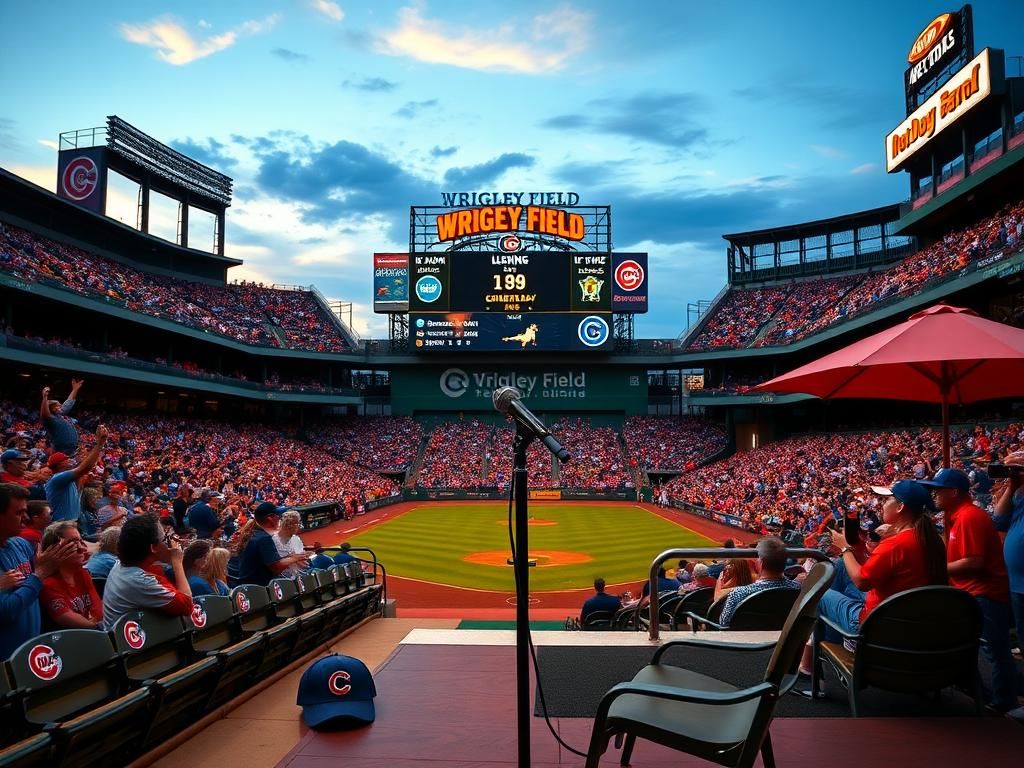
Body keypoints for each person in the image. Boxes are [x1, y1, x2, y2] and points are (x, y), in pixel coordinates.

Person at [922, 468, 1020, 712]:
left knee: (994, 649)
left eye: (939, 490)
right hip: (970, 593)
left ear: (954, 492)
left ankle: (1004, 702)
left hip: (985, 593)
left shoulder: (969, 517)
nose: (934, 495)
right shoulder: (958, 515)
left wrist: (937, 570)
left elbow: (974, 562)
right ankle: (982, 692)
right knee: (976, 646)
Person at [816, 480, 947, 638]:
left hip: (877, 626)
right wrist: (858, 549)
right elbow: (882, 572)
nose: (882, 505)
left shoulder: (895, 544)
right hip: (909, 618)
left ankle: (836, 645)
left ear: (900, 507)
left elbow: (862, 582)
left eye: (887, 500)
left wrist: (844, 548)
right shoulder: (931, 539)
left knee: (819, 593)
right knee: (842, 567)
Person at [0, 483, 79, 658]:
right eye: (19, 513)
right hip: (7, 660)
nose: (26, 518)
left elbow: (38, 584)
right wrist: (39, 574)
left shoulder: (20, 544)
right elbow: (7, 611)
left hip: (33, 649)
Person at [101, 514, 193, 630]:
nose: (169, 543)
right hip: (125, 638)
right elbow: (187, 606)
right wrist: (177, 562)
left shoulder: (122, 565)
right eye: (165, 539)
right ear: (153, 548)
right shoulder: (139, 581)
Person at [718, 537, 799, 627]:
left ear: (761, 563)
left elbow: (723, 623)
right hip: (783, 635)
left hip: (746, 635)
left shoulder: (738, 593)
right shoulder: (798, 589)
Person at [38, 521, 103, 629]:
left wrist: (98, 624)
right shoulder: (48, 584)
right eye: (73, 543)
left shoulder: (82, 573)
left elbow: (98, 609)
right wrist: (98, 627)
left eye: (80, 541)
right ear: (55, 550)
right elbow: (67, 619)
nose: (82, 548)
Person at [992, 452, 1024, 659]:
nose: (1011, 472)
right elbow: (998, 520)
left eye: (1016, 468)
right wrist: (1012, 485)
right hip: (1017, 581)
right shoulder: (1017, 493)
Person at [44, 424, 108, 523]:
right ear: (60, 464)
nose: (70, 461)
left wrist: (83, 481)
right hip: (62, 525)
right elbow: (84, 469)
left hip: (72, 523)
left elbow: (75, 493)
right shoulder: (57, 478)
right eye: (67, 459)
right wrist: (100, 444)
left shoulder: (66, 481)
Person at [237, 502, 308, 586]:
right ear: (270, 518)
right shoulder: (263, 538)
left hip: (248, 584)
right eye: (278, 515)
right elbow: (277, 568)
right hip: (258, 587)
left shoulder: (255, 533)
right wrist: (295, 558)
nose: (279, 518)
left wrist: (289, 557)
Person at [39, 381, 83, 455]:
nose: (61, 406)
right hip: (60, 451)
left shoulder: (61, 414)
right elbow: (44, 413)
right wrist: (45, 398)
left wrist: (75, 389)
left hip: (72, 450)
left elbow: (68, 402)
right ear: (51, 408)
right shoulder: (50, 419)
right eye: (58, 405)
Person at [272, 510, 308, 578]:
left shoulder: (296, 539)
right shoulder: (273, 540)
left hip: (300, 575)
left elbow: (304, 563)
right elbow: (275, 566)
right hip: (283, 579)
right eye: (297, 523)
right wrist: (292, 557)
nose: (299, 526)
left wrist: (299, 558)